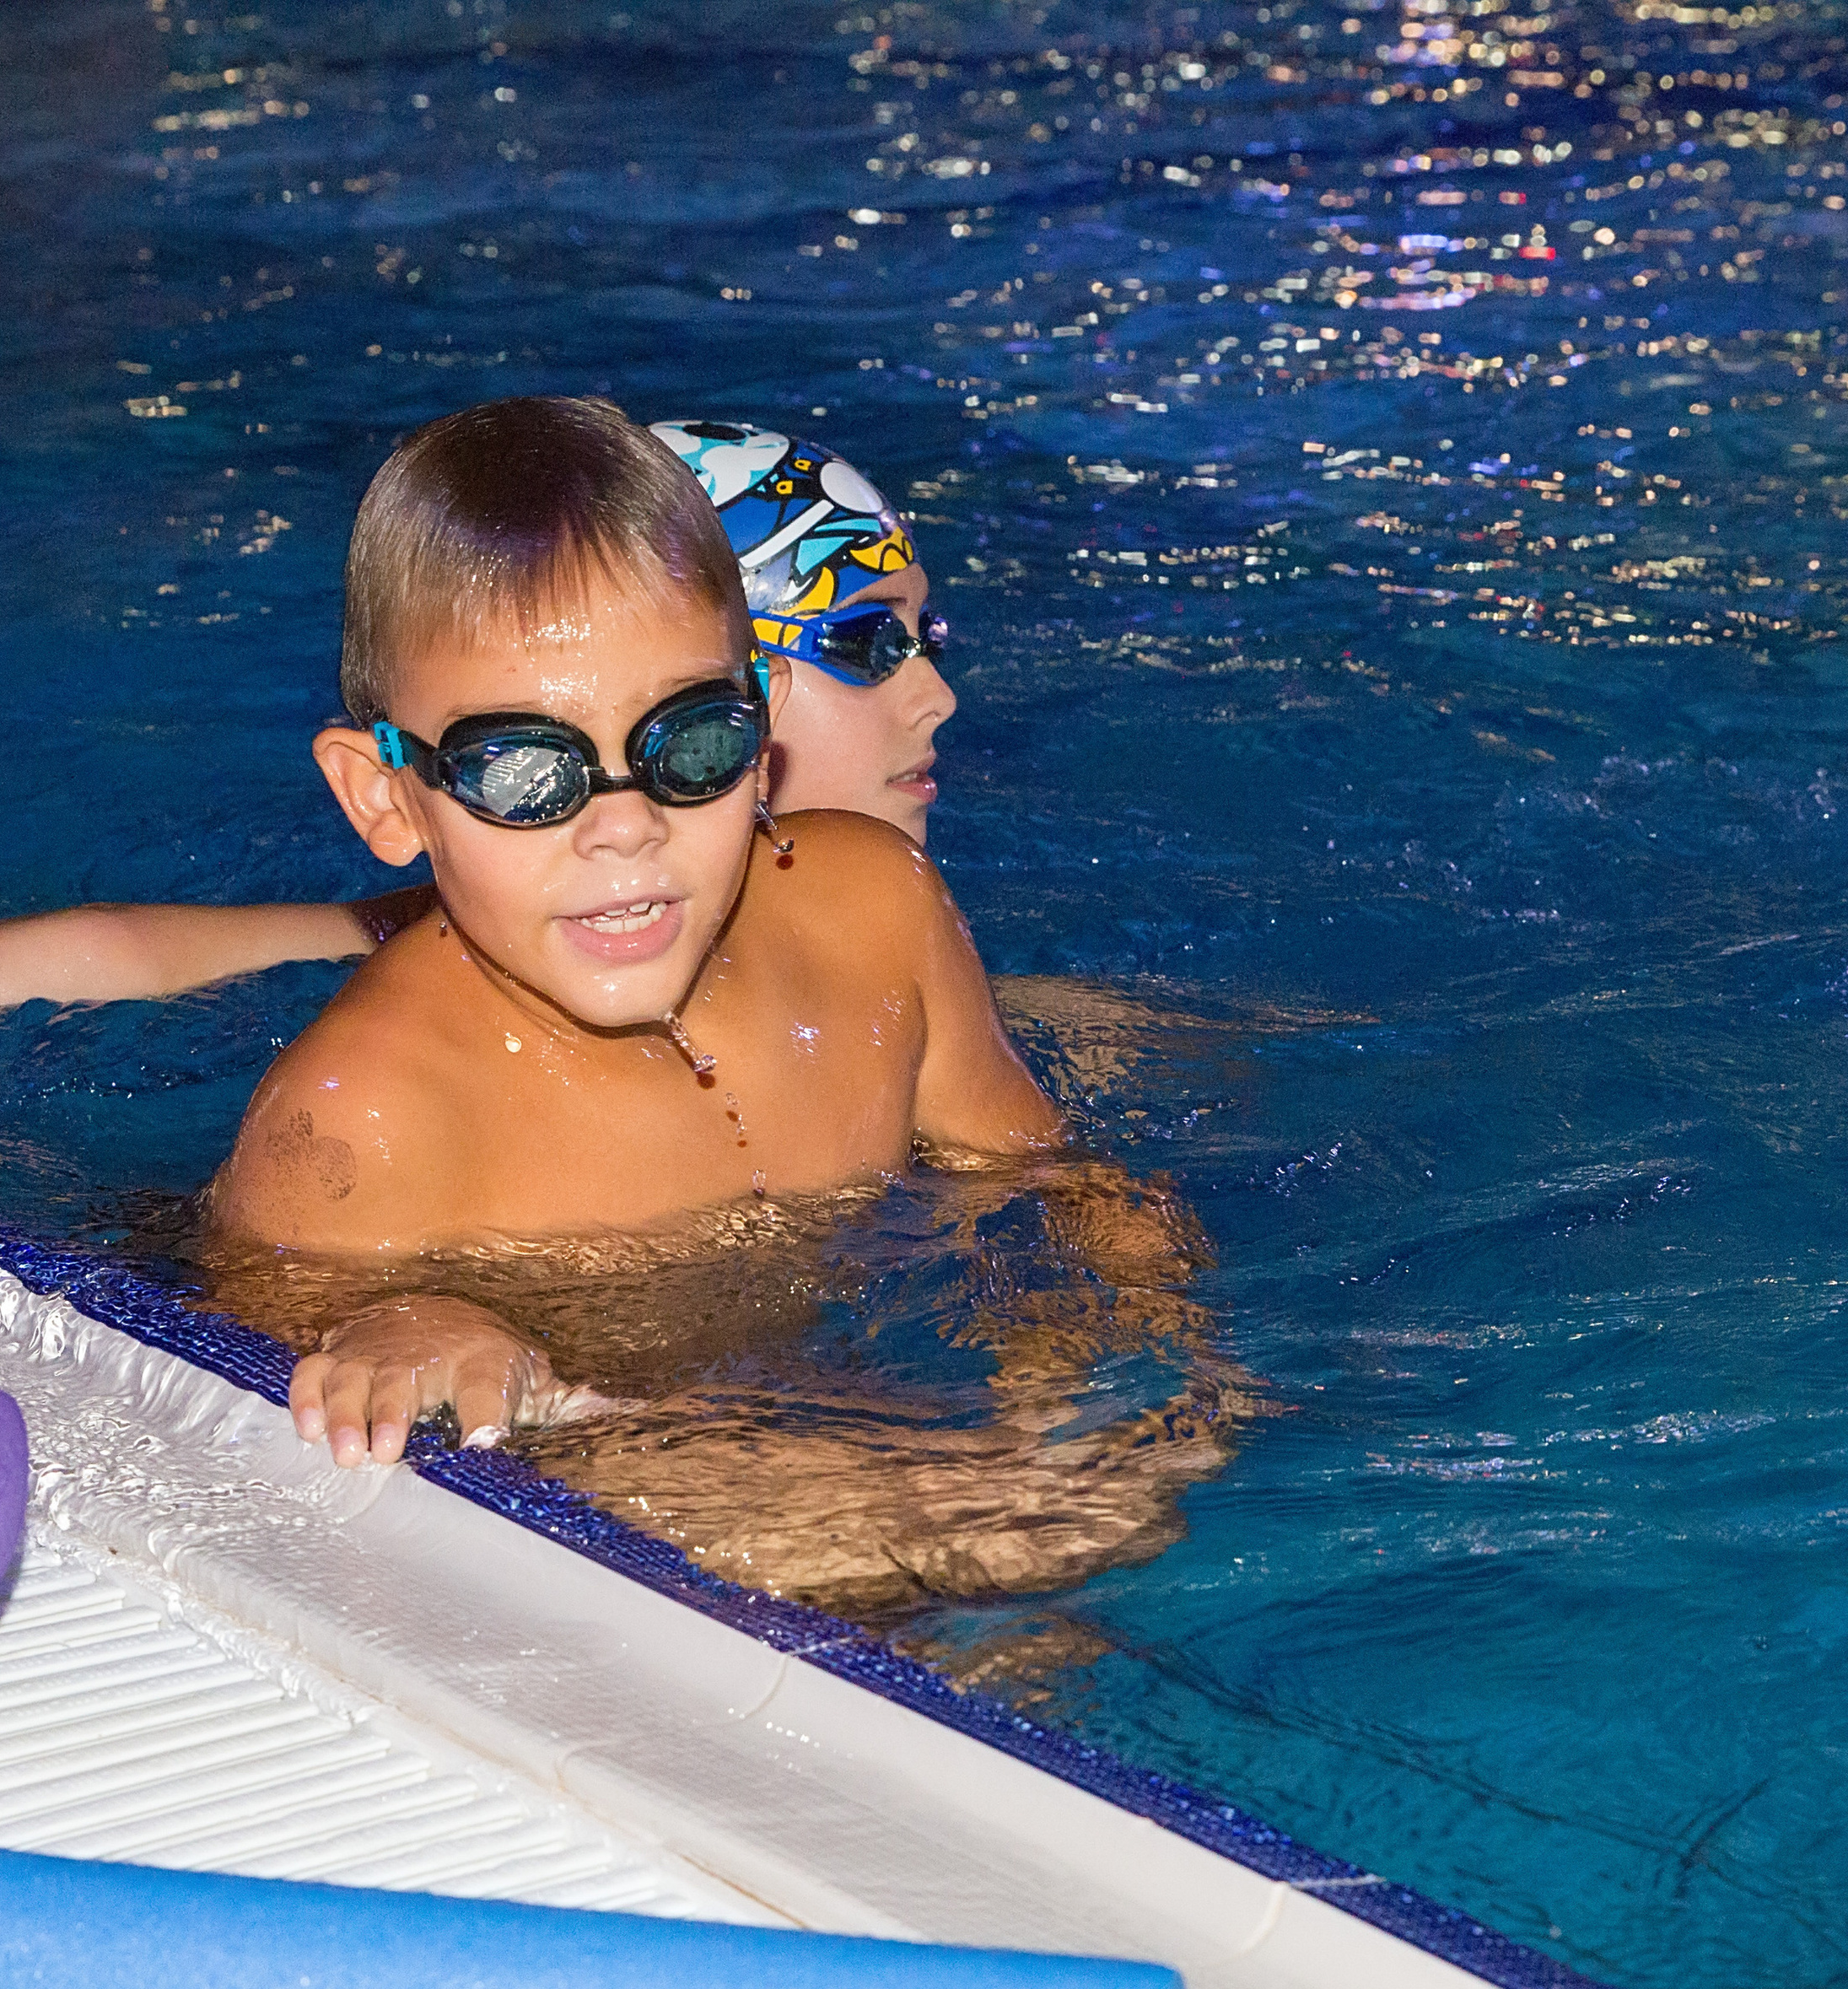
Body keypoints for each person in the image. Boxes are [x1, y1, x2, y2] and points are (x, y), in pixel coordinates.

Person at [191, 397, 1247, 1623]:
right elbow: (240, 1418)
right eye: (525, 772)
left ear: (762, 739)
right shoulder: (364, 1117)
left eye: (689, 742)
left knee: (1067, 1523)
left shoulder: (875, 910)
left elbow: (1054, 1183)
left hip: (832, 1421)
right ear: (387, 797)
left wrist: (1087, 1379)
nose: (625, 821)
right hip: (601, 1468)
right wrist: (409, 1321)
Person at [0, 419, 952, 1062]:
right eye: (869, 644)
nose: (938, 694)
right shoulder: (490, 947)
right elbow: (131, 951)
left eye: (926, 633)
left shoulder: (891, 940)